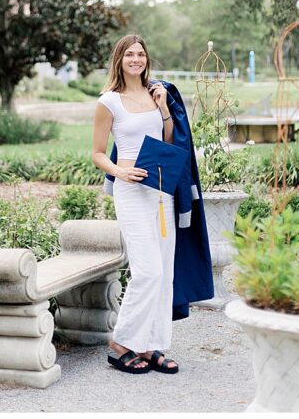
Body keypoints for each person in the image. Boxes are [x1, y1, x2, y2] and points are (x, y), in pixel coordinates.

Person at [91, 34, 213, 376]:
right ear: (119, 59)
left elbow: (171, 140)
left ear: (147, 59)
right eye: (129, 54)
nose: (135, 59)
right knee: (148, 271)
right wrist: (119, 171)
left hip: (160, 190)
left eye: (140, 54)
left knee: (164, 272)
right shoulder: (109, 102)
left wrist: (163, 109)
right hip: (130, 191)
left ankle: (150, 344)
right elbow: (98, 152)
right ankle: (121, 343)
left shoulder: (155, 93)